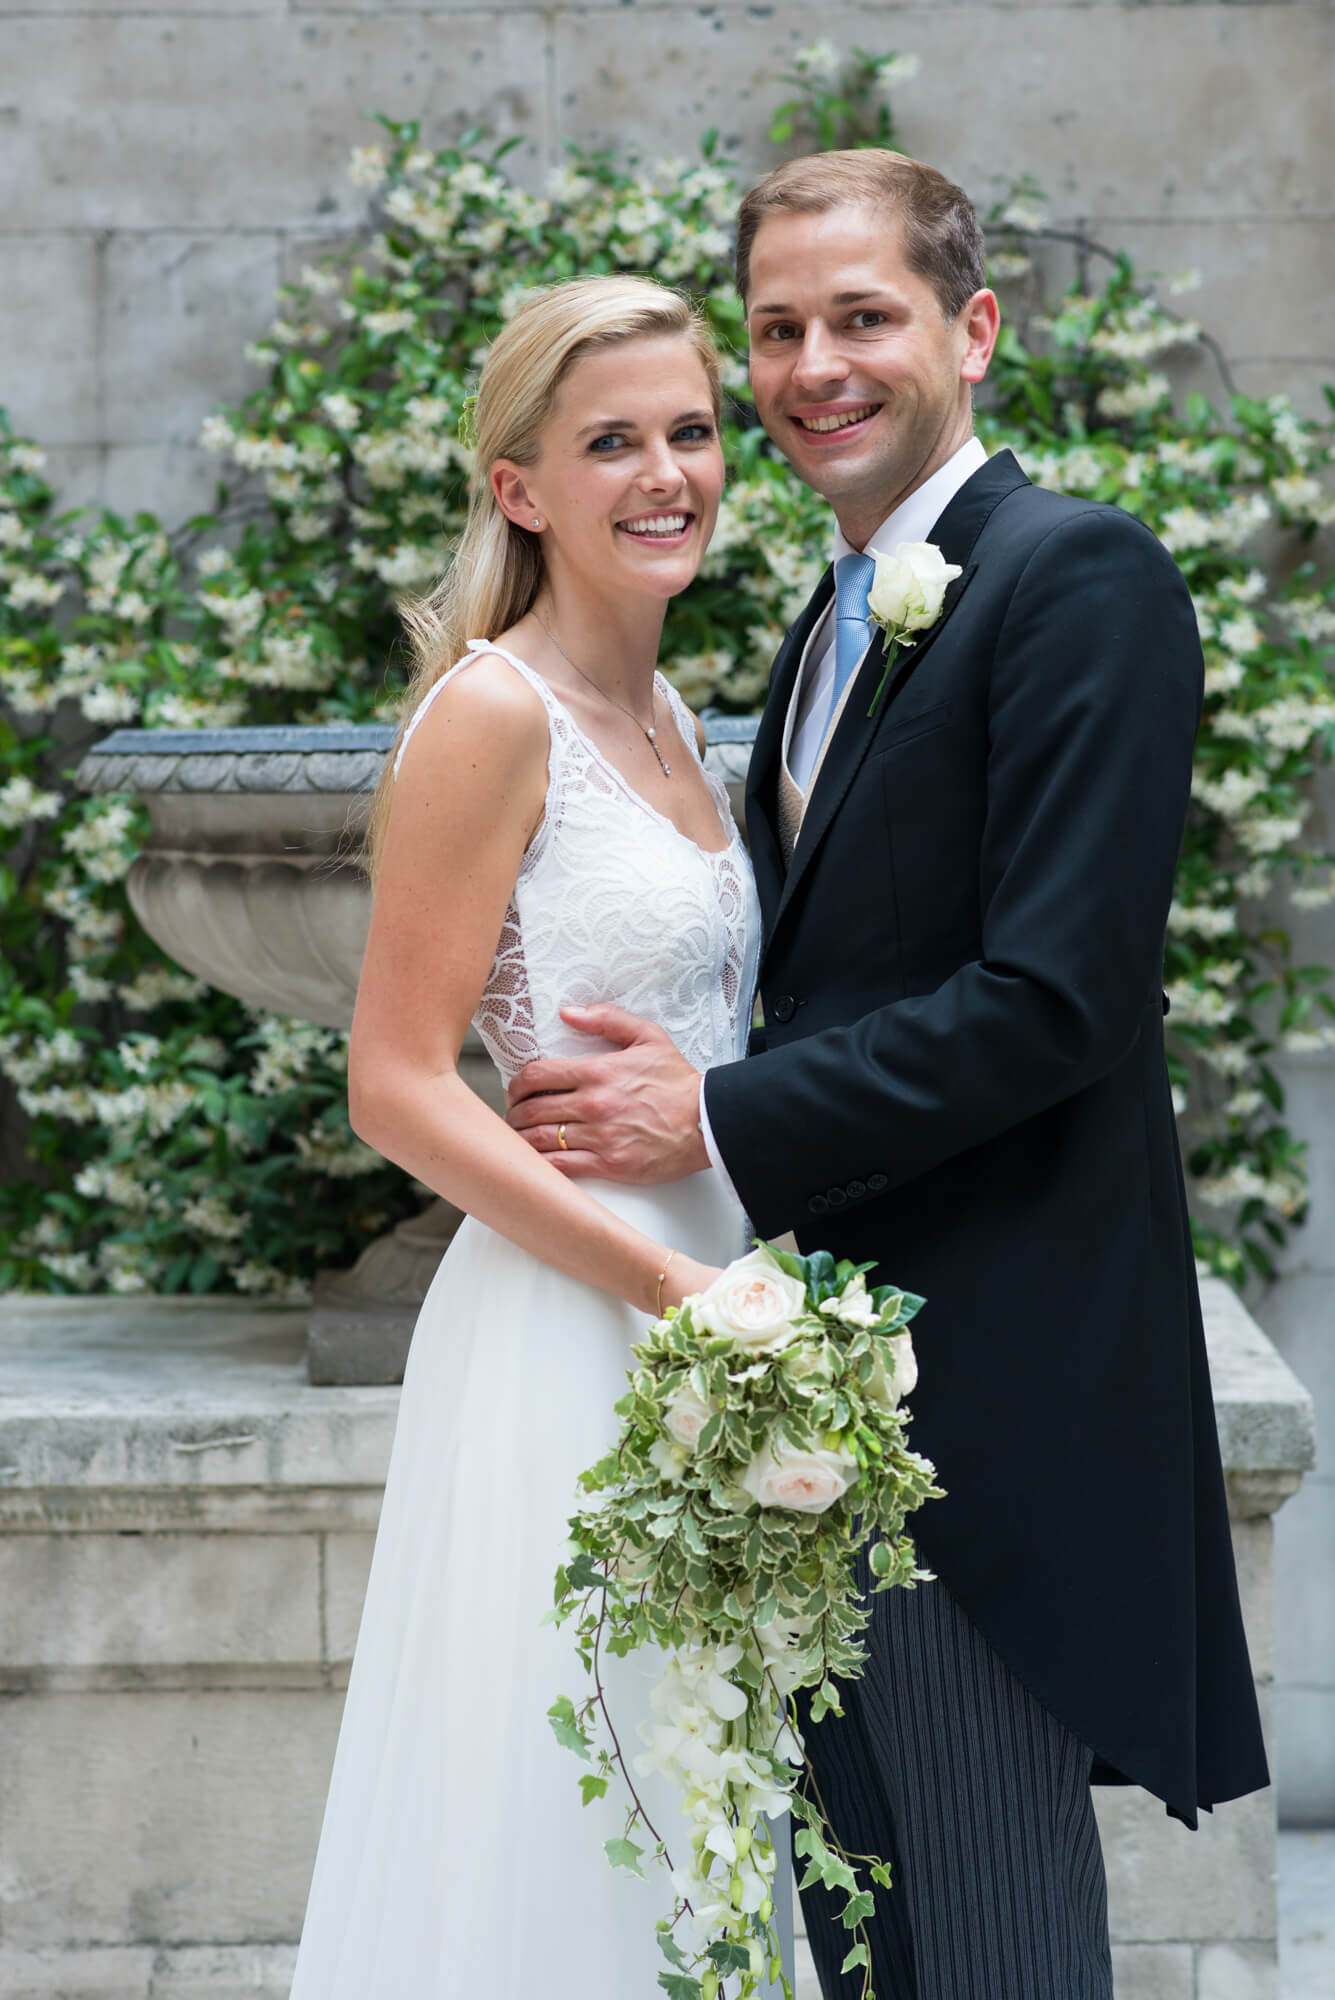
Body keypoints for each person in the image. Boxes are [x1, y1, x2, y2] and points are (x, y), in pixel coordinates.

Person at [505, 152, 1271, 1998]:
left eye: (863, 317)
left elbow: (1056, 997)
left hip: (988, 1394)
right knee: (868, 1931)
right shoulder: (828, 619)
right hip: (814, 1389)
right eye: (778, 328)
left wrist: (711, 1116)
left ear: (973, 330)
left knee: (990, 1926)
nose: (811, 366)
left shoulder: (1077, 575)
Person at [285, 274, 778, 1999]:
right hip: (584, 1322)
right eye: (612, 442)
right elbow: (398, 1081)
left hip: (724, 1315)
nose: (668, 474)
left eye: (693, 432)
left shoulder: (688, 724)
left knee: (708, 1801)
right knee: (576, 1797)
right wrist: (663, 1287)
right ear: (522, 488)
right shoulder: (494, 717)